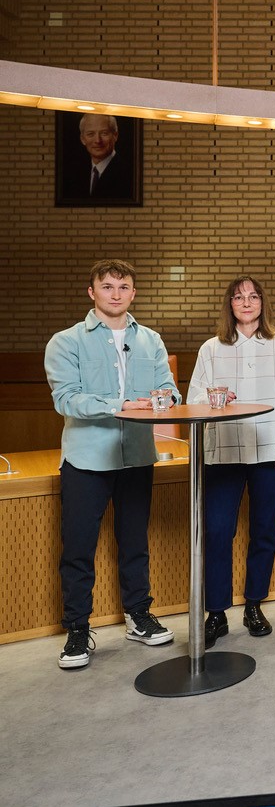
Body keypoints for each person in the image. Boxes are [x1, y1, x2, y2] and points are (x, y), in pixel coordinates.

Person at [44, 259, 178, 669]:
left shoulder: (151, 340)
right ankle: (77, 631)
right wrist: (122, 405)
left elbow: (169, 389)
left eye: (123, 287)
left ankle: (138, 616)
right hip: (86, 459)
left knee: (135, 542)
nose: (115, 294)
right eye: (107, 286)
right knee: (78, 548)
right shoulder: (66, 341)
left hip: (136, 457)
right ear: (92, 292)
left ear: (133, 293)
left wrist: (166, 399)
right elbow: (66, 399)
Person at [187, 277, 275, 647]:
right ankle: (216, 612)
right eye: (239, 297)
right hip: (223, 452)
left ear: (262, 303)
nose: (246, 302)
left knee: (263, 531)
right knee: (217, 532)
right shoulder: (211, 348)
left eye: (253, 296)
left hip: (271, 450)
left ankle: (254, 605)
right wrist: (215, 400)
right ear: (229, 304)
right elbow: (194, 400)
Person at [65, 113, 134, 200]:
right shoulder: (73, 174)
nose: (98, 140)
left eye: (104, 133)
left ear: (115, 135)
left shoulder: (129, 174)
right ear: (82, 139)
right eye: (91, 134)